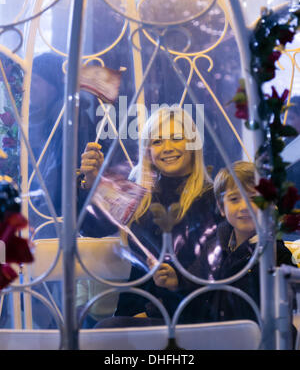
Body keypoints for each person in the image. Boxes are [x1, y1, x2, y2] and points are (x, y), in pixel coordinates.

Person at [80, 105, 219, 326]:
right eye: (157, 141)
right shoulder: (140, 194)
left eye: (176, 138)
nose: (167, 148)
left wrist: (155, 309)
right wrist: (92, 183)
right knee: (86, 325)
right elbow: (91, 229)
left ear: (193, 144)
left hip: (187, 312)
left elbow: (214, 267)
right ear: (148, 152)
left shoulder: (212, 198)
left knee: (104, 329)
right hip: (134, 309)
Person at [159, 161, 296, 326]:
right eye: (234, 199)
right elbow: (195, 282)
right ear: (221, 207)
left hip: (257, 337)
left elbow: (290, 301)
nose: (244, 207)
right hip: (216, 332)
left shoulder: (275, 252)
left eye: (254, 198)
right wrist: (176, 282)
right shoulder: (214, 246)